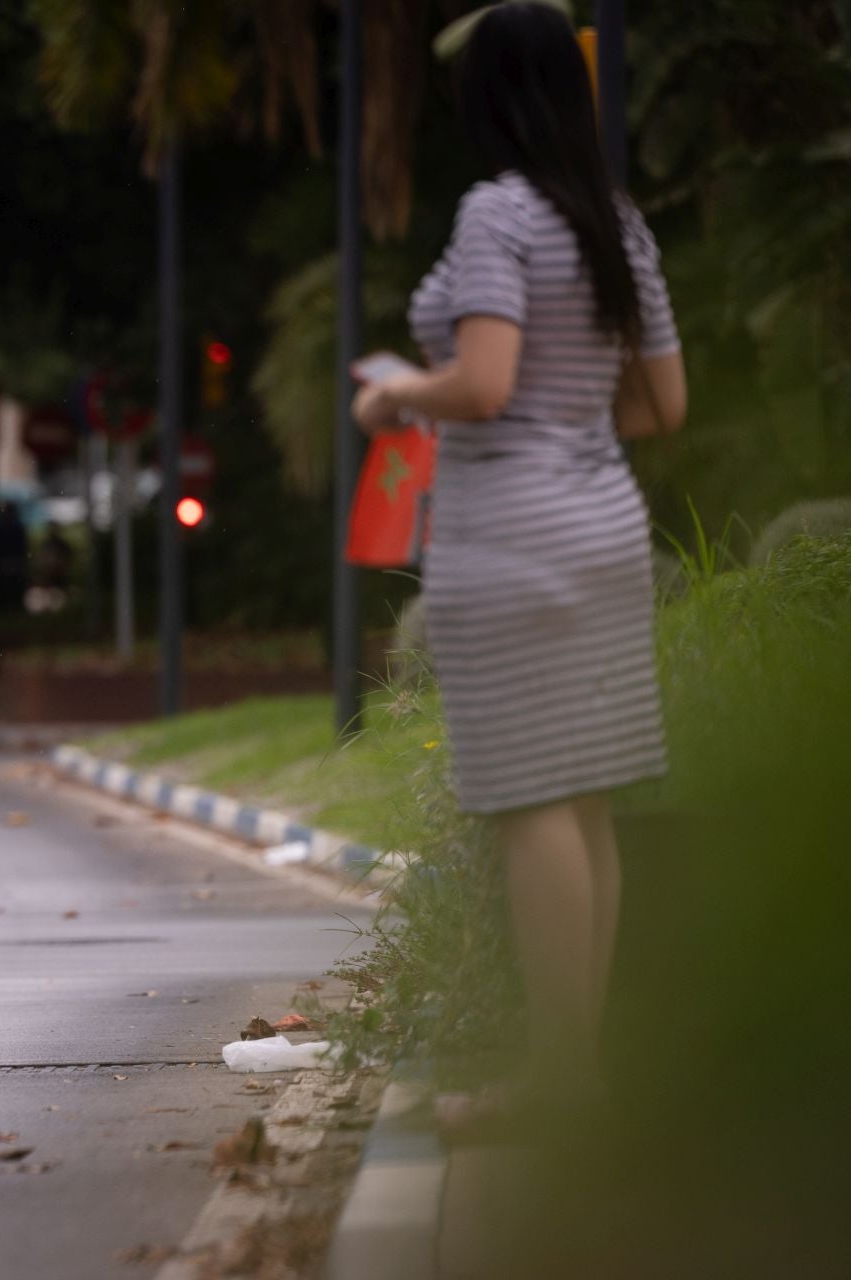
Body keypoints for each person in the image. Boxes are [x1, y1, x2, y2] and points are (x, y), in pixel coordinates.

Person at [351, 2, 686, 1134]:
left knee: (531, 797)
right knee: (582, 798)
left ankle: (561, 1074)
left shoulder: (496, 213)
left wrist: (397, 390)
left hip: (513, 536)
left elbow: (485, 382)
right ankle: (578, 1064)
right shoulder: (615, 221)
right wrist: (566, 410)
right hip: (602, 525)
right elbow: (661, 404)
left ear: (486, 96)